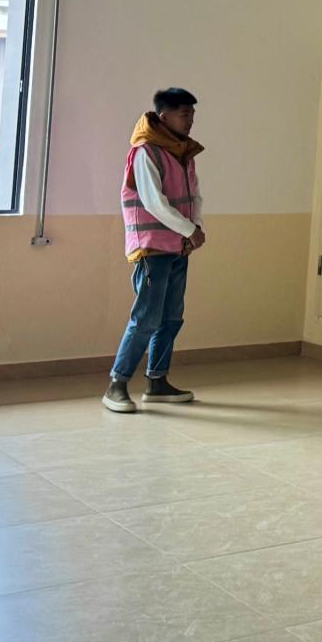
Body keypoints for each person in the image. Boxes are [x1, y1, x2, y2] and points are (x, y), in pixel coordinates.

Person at [103, 88, 205, 413]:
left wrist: (194, 229)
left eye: (192, 114)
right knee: (146, 318)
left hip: (179, 246)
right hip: (152, 249)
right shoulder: (146, 152)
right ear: (164, 117)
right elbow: (153, 202)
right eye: (184, 114)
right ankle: (117, 384)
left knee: (171, 317)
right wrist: (190, 230)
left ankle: (157, 382)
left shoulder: (183, 153)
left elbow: (194, 196)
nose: (190, 120)